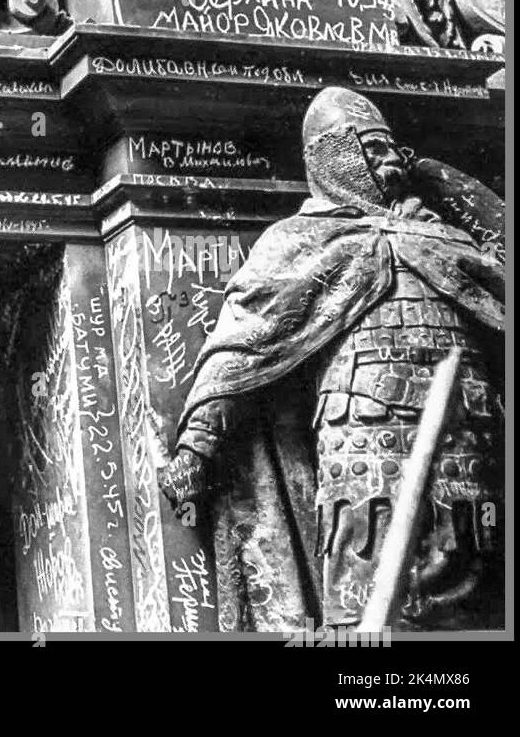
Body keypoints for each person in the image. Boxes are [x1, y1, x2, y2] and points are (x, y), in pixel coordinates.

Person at [160, 87, 504, 632]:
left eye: (392, 150)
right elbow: (245, 343)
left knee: (474, 595)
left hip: (469, 439)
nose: (390, 163)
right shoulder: (299, 241)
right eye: (373, 149)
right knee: (366, 588)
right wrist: (197, 446)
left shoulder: (442, 237)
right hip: (364, 442)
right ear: (332, 157)